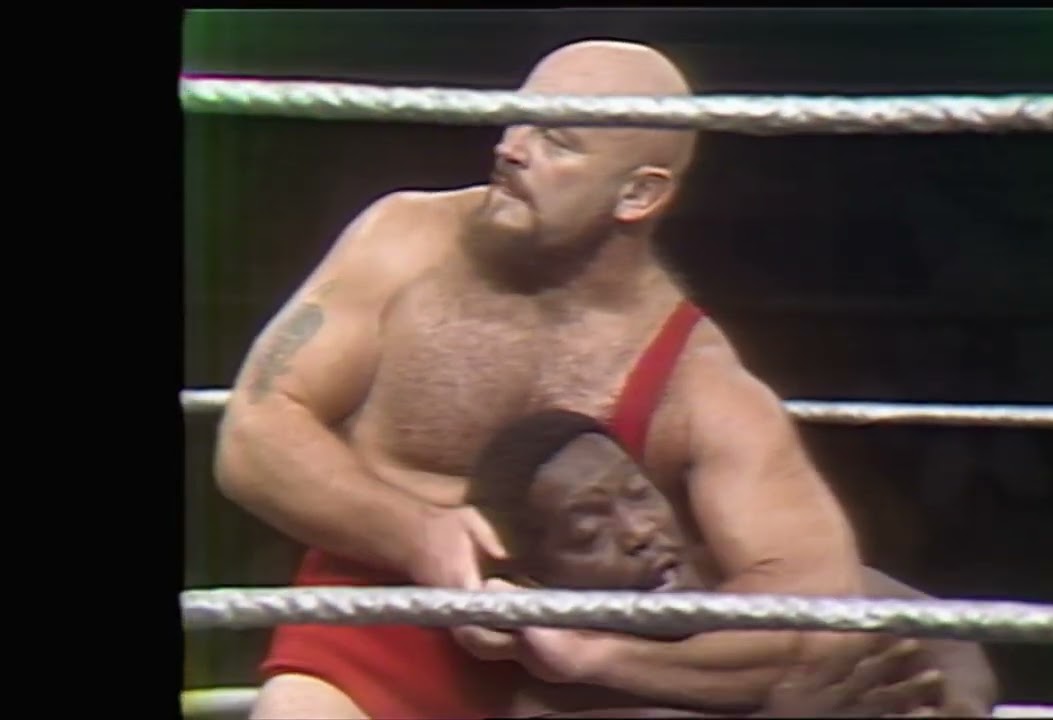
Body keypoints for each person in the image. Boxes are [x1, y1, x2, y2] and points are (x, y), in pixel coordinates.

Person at [213, 38, 928, 719]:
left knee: (919, 654)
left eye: (557, 141)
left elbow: (811, 610)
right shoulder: (406, 240)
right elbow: (254, 434)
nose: (510, 148)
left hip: (593, 658)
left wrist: (596, 656)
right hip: (385, 601)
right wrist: (420, 537)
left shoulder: (695, 379)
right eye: (517, 120)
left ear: (637, 195)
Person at [463, 408, 999, 717]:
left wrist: (961, 710)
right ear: (535, 582)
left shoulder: (741, 576)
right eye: (588, 532)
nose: (640, 532)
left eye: (640, 495)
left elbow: (944, 633)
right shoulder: (555, 704)